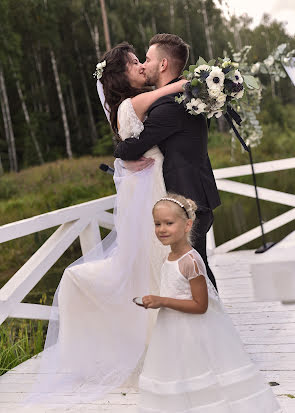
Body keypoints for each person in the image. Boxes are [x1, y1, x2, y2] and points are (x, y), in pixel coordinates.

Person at [26, 42, 188, 406]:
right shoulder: (132, 105)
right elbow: (174, 88)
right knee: (154, 262)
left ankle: (169, 338)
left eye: (139, 60)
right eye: (134, 63)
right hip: (150, 192)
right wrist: (206, 82)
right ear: (119, 75)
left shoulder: (128, 104)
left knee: (153, 263)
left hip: (148, 188)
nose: (140, 67)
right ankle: (164, 344)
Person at [137, 193, 281, 413]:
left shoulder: (191, 261)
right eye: (157, 224)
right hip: (172, 331)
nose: (162, 229)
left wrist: (161, 300)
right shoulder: (169, 257)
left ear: (187, 225)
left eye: (169, 223)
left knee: (202, 374)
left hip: (193, 332)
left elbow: (200, 305)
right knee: (179, 375)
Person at [114, 33, 221, 292]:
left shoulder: (170, 105)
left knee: (192, 272)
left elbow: (131, 148)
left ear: (162, 65)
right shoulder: (187, 95)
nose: (144, 65)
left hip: (189, 200)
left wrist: (119, 150)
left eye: (148, 59)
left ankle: (211, 324)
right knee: (198, 269)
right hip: (198, 196)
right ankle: (211, 325)